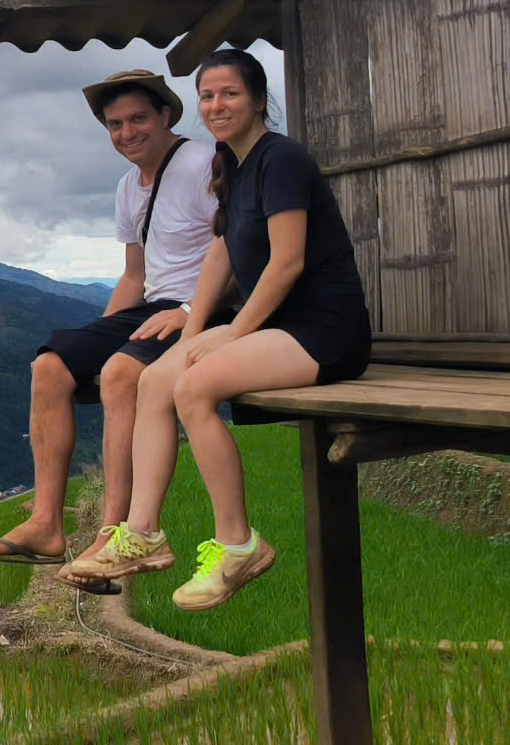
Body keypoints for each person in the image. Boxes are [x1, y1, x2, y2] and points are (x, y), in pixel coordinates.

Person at [58, 48, 370, 611]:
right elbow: (221, 253)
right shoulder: (234, 167)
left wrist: (232, 334)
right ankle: (143, 533)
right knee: (155, 381)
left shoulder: (282, 160)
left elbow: (287, 263)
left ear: (256, 98)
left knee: (192, 389)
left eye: (229, 93)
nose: (217, 104)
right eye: (207, 95)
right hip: (271, 328)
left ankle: (238, 543)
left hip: (322, 330)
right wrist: (195, 329)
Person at [0, 69, 216, 570]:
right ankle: (46, 524)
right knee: (50, 366)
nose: (127, 134)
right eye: (115, 125)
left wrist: (190, 310)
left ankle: (116, 532)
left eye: (138, 119)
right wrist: (99, 339)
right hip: (153, 308)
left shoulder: (203, 165)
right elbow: (134, 274)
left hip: (209, 310)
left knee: (121, 372)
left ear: (166, 115)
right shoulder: (129, 186)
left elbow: (239, 253)